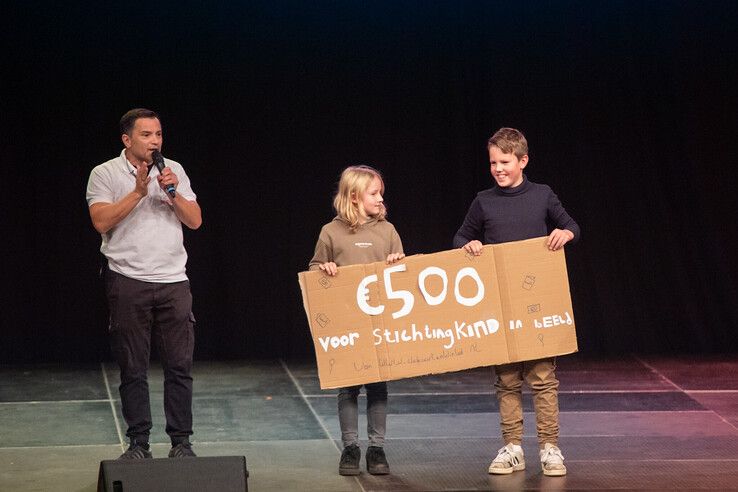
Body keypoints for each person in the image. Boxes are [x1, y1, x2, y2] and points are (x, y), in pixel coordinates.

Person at [453, 127, 580, 477]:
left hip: (537, 303)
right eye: (493, 162)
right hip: (501, 302)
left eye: (505, 161)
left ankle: (550, 447)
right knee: (507, 379)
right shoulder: (484, 200)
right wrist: (469, 246)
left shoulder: (542, 195)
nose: (498, 168)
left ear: (523, 160)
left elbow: (571, 226)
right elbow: (462, 235)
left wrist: (564, 233)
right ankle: (512, 448)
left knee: (542, 376)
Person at [86, 108, 202, 459]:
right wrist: (137, 192)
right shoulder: (104, 173)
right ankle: (139, 443)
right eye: (147, 135)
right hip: (128, 280)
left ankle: (181, 443)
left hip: (173, 281)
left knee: (180, 366)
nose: (155, 141)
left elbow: (195, 221)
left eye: (159, 135)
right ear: (127, 139)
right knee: (133, 367)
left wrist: (173, 193)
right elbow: (100, 221)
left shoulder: (174, 170)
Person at [308, 165, 405, 476]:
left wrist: (395, 264)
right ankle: (350, 447)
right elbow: (313, 270)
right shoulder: (331, 232)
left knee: (378, 386)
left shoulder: (387, 231)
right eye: (373, 193)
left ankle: (376, 448)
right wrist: (324, 270)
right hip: (347, 322)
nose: (380, 199)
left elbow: (403, 275)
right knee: (348, 388)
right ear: (353, 197)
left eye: (381, 194)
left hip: (379, 322)